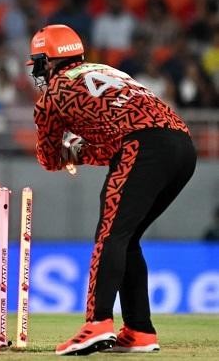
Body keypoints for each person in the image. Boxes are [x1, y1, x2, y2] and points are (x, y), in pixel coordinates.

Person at [27, 24, 196, 355]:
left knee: (110, 236)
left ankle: (97, 323)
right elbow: (117, 139)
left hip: (143, 147)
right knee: (126, 237)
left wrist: (71, 152)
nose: (36, 70)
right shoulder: (107, 70)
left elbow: (48, 158)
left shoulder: (51, 96)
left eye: (37, 62)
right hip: (182, 146)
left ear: (48, 62)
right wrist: (85, 150)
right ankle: (139, 331)